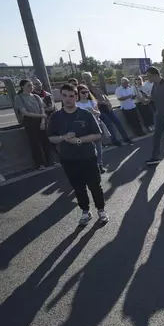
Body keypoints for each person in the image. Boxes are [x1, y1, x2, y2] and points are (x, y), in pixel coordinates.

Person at [47, 83, 109, 227]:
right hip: (68, 159)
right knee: (78, 187)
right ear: (60, 97)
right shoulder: (56, 117)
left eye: (71, 96)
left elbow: (97, 134)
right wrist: (63, 137)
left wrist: (79, 140)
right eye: (64, 96)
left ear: (76, 97)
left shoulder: (86, 114)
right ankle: (85, 211)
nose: (67, 99)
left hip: (87, 156)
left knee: (94, 185)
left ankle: (101, 210)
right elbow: (51, 138)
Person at [82, 72, 133, 147]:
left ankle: (126, 138)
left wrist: (108, 102)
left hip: (106, 107)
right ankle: (115, 140)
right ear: (83, 79)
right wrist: (105, 103)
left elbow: (103, 95)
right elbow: (93, 101)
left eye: (88, 77)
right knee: (109, 124)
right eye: (85, 77)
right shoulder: (85, 89)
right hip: (99, 109)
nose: (87, 79)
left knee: (117, 122)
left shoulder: (95, 86)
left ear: (91, 77)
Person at [14, 79, 54, 170]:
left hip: (41, 120)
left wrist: (43, 121)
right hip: (30, 121)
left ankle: (50, 161)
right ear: (22, 87)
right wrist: (41, 115)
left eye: (31, 85)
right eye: (28, 85)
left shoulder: (36, 96)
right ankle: (40, 163)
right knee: (35, 143)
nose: (31, 87)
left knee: (46, 141)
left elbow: (42, 109)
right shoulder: (19, 98)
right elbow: (25, 112)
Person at [76, 84, 108, 173]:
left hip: (96, 127)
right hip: (84, 130)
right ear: (78, 93)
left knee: (99, 148)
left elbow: (99, 113)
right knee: (91, 149)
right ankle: (93, 166)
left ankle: (100, 165)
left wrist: (93, 111)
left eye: (87, 92)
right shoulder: (76, 104)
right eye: (83, 92)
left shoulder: (92, 102)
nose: (85, 94)